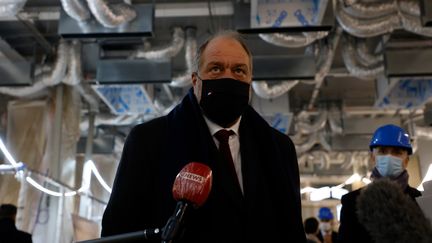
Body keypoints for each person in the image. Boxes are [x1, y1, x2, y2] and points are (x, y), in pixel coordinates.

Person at [101, 30, 306, 243]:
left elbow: (291, 229)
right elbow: (118, 231)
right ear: (195, 81)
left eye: (239, 70)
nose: (228, 77)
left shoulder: (279, 149)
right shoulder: (148, 141)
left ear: (250, 81)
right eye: (216, 68)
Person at [337, 124, 422, 243]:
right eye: (382, 151)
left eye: (397, 152)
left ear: (406, 160)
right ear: (373, 157)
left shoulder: (420, 200)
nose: (389, 157)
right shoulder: (352, 202)